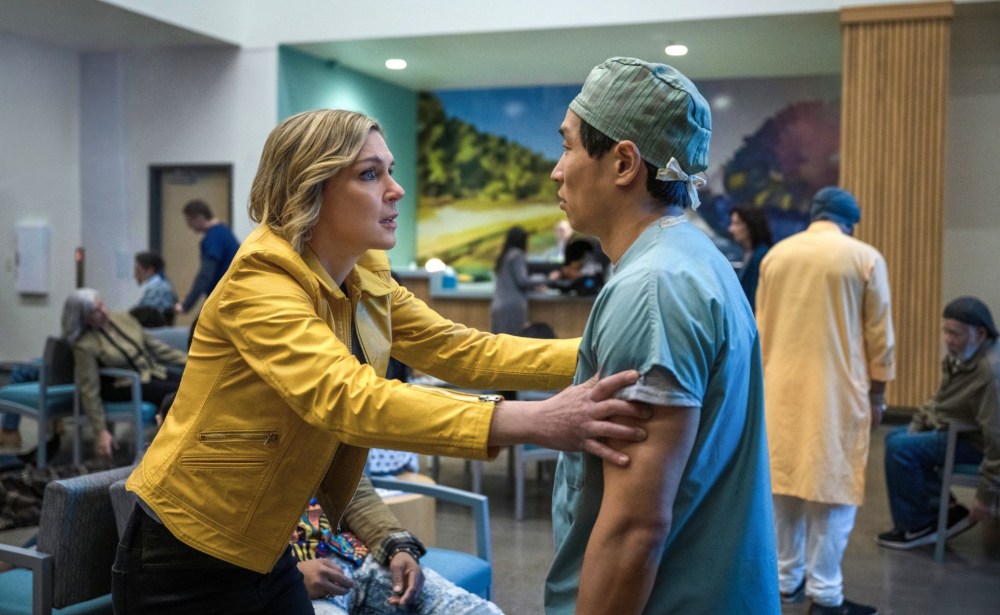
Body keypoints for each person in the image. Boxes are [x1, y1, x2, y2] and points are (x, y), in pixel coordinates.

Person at [113, 108, 648, 613]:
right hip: (184, 556)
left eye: (389, 171)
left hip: (264, 548)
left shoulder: (363, 272)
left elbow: (459, 349)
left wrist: (615, 342)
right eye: (370, 174)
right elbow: (349, 398)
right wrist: (535, 419)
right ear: (310, 188)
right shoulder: (261, 280)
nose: (396, 189)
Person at [544, 57, 778, 614]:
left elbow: (634, 530)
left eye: (568, 146)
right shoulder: (693, 258)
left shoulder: (652, 288)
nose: (557, 170)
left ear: (624, 163)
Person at [756, 186, 895, 615]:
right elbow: (880, 336)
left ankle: (785, 581)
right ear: (849, 221)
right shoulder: (864, 258)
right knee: (833, 495)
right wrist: (879, 394)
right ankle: (827, 594)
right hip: (838, 394)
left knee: (783, 489)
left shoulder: (776, 256)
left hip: (778, 391)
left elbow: (759, 328)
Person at [877, 296, 1000, 549]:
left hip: (975, 444)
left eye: (955, 333)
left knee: (900, 449)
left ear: (980, 333)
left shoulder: (991, 373)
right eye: (945, 331)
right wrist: (917, 425)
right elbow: (940, 398)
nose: (947, 339)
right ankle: (944, 511)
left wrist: (986, 495)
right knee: (896, 437)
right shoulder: (963, 355)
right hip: (955, 430)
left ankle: (918, 524)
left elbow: (997, 441)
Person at [292, 484, 501, 615]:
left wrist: (398, 547)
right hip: (294, 577)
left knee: (479, 611)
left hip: (357, 555)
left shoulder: (318, 434)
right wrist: (290, 574)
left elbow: (357, 495)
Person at [62, 288, 187, 459]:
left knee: (190, 382)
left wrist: (191, 360)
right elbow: (88, 388)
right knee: (177, 392)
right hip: (121, 384)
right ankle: (174, 449)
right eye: (95, 311)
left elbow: (157, 348)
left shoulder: (123, 319)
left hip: (149, 372)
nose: (103, 312)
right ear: (83, 317)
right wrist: (100, 430)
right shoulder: (84, 344)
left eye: (102, 305)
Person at [173, 199, 241, 315]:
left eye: (189, 221)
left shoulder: (213, 238)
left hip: (224, 298)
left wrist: (186, 305)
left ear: (199, 218)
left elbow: (205, 275)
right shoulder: (224, 232)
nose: (189, 226)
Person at [490, 225, 541, 335]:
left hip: (498, 305)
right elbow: (522, 280)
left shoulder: (503, 255)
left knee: (498, 341)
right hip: (512, 306)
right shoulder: (517, 254)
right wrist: (545, 280)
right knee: (513, 342)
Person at [727, 205, 773, 312]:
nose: (731, 229)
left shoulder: (760, 256)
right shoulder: (749, 254)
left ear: (750, 225)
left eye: (737, 223)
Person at [133, 251, 178, 324]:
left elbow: (146, 316)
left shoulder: (158, 288)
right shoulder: (161, 285)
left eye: (138, 270)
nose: (135, 275)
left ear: (150, 270)